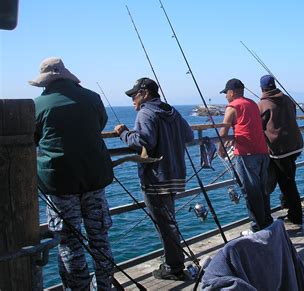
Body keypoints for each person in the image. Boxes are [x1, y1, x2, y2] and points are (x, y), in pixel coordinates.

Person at [30, 57, 115, 290]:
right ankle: (105, 286)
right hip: (95, 178)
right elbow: (99, 125)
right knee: (100, 238)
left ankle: (77, 288)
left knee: (69, 244)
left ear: (45, 82)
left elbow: (34, 138)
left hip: (59, 182)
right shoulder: (92, 98)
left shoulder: (38, 104)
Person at [114, 77, 193, 281]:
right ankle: (173, 260)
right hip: (175, 175)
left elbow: (143, 140)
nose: (132, 99)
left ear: (145, 94)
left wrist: (124, 133)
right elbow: (189, 135)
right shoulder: (173, 112)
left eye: (134, 95)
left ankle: (174, 267)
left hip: (156, 178)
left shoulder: (145, 112)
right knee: (169, 221)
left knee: (164, 224)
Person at [218, 78, 273, 234]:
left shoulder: (232, 106)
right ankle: (267, 222)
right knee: (262, 190)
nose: (225, 96)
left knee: (250, 192)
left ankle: (257, 228)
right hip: (262, 151)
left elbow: (223, 131)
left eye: (226, 93)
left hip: (246, 153)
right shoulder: (252, 104)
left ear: (231, 92)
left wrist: (220, 148)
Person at [258, 75, 304, 225]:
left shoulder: (263, 104)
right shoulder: (288, 99)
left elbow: (259, 126)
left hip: (279, 149)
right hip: (295, 145)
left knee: (287, 183)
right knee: (289, 177)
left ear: (262, 88)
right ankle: (287, 205)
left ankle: (296, 215)